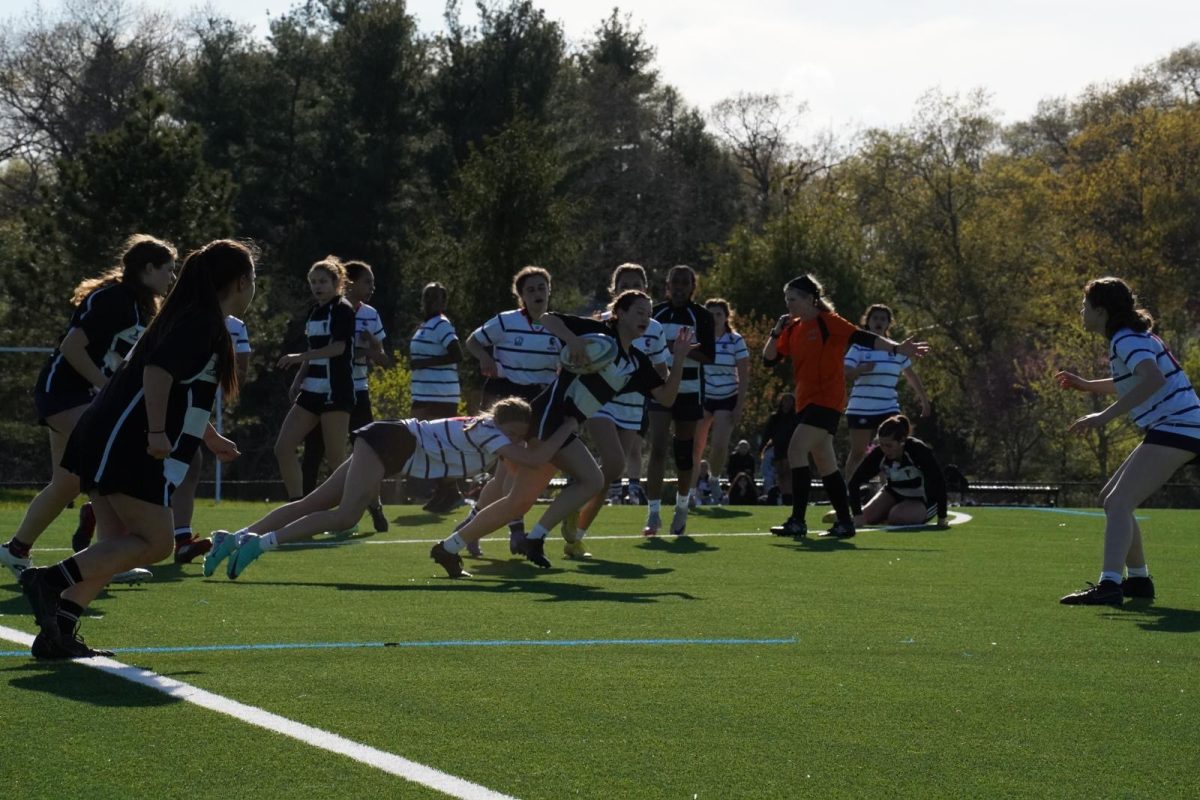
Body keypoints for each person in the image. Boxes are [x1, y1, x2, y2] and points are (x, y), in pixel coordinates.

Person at [17, 239, 255, 659]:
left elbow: (187, 391)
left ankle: (60, 632)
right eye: (252, 279)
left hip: (106, 433)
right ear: (239, 282)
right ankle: (48, 581)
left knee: (116, 543)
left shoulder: (194, 319)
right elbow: (158, 373)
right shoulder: (201, 323)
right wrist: (158, 433)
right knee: (157, 543)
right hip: (124, 440)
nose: (254, 288)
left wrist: (211, 438)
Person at [431, 290, 693, 576]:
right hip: (548, 416)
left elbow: (666, 397)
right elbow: (548, 319)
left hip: (564, 424)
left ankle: (462, 545)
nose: (646, 318)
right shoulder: (599, 333)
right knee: (571, 484)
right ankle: (519, 540)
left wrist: (678, 359)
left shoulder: (636, 362)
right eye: (639, 312)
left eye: (649, 313)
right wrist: (574, 341)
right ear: (619, 314)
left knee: (531, 497)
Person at [202, 398, 574, 580]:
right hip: (390, 442)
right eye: (512, 434)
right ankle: (259, 544)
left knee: (317, 500)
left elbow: (513, 472)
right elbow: (527, 460)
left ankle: (232, 539)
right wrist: (567, 428)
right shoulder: (488, 429)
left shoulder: (492, 433)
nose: (514, 442)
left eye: (518, 437)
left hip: (390, 445)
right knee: (346, 516)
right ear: (499, 422)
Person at [1, 234, 176, 581]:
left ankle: (15, 549)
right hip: (64, 394)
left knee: (68, 483)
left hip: (82, 398)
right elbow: (72, 346)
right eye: (168, 270)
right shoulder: (115, 298)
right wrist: (105, 385)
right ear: (148, 268)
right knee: (106, 467)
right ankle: (106, 556)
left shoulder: (138, 303)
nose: (172, 279)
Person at [1056, 277, 1200, 605]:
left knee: (1119, 503)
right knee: (1112, 499)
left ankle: (1110, 586)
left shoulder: (1124, 339)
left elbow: (1153, 379)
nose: (1081, 311)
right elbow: (1134, 379)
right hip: (1180, 426)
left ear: (1102, 311)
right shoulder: (1130, 338)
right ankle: (1138, 581)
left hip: (1178, 426)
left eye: (1085, 306)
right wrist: (1088, 385)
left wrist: (1102, 417)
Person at [763, 274, 928, 539]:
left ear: (810, 299)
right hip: (805, 402)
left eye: (793, 299)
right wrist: (776, 331)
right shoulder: (793, 328)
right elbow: (769, 359)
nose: (788, 304)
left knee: (796, 449)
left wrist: (898, 348)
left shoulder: (829, 322)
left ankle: (797, 520)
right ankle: (844, 522)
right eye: (787, 299)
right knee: (826, 464)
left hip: (827, 402)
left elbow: (864, 338)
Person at [566, 264, 669, 554]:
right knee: (613, 462)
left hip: (635, 407)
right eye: (623, 283)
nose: (629, 286)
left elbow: (660, 371)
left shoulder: (654, 328)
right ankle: (570, 505)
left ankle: (576, 535)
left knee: (611, 472)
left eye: (636, 283)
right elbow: (577, 357)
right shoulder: (601, 323)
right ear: (614, 290)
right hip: (601, 402)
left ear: (645, 288)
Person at [465, 266, 561, 552]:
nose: (537, 294)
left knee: (503, 475)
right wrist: (485, 358)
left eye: (541, 288)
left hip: (539, 400)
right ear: (521, 296)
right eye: (530, 290)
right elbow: (472, 341)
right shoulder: (506, 322)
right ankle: (516, 532)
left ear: (549, 291)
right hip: (506, 399)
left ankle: (470, 527)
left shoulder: (558, 325)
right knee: (513, 469)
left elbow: (570, 359)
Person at [299, 260, 391, 532]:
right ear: (347, 281)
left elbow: (383, 358)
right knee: (316, 453)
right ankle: (308, 510)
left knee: (365, 453)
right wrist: (300, 376)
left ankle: (373, 505)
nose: (372, 287)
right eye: (367, 282)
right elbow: (317, 348)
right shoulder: (327, 308)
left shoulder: (370, 315)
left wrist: (367, 348)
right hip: (322, 389)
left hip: (356, 390)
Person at [166, 314, 254, 566]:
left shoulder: (234, 326)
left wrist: (211, 435)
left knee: (189, 463)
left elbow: (240, 374)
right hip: (158, 402)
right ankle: (108, 521)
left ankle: (181, 538)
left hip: (181, 404)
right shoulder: (188, 318)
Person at [273, 256, 357, 504]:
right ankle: (296, 506)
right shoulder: (313, 311)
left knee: (335, 459)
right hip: (311, 391)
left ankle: (349, 510)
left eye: (322, 281)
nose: (317, 286)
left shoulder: (343, 309)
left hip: (336, 393)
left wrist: (300, 357)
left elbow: (338, 348)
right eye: (313, 282)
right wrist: (299, 377)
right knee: (283, 448)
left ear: (336, 282)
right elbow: (314, 348)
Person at [644, 265, 716, 536]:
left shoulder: (702, 316)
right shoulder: (655, 315)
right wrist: (669, 349)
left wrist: (682, 350)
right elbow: (647, 346)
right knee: (659, 448)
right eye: (675, 282)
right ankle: (652, 513)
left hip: (689, 390)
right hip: (660, 388)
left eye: (685, 282)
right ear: (667, 285)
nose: (680, 287)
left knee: (683, 452)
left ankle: (682, 508)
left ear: (692, 287)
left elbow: (709, 356)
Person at [843, 304, 931, 482]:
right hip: (861, 408)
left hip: (888, 407)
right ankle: (849, 491)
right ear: (867, 321)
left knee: (893, 449)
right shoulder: (859, 347)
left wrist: (924, 399)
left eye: (883, 319)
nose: (879, 322)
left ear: (888, 324)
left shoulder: (897, 349)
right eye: (875, 318)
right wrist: (862, 368)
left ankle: (888, 490)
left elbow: (911, 376)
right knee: (858, 452)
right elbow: (845, 372)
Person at [409, 282, 465, 515]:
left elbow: (457, 354)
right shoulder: (426, 325)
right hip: (424, 393)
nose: (431, 301)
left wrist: (424, 363)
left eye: (437, 297)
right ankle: (445, 491)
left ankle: (450, 492)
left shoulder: (442, 324)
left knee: (435, 443)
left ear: (444, 302)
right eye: (428, 296)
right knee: (424, 442)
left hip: (440, 395)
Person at [690, 298, 750, 506]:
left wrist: (739, 406)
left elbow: (743, 376)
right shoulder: (699, 339)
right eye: (711, 314)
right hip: (704, 396)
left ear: (726, 317)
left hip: (727, 398)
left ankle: (714, 479)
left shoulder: (735, 340)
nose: (714, 318)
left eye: (719, 314)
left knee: (718, 446)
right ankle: (690, 491)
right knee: (695, 446)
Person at [846, 415, 948, 528]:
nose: (885, 450)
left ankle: (892, 513)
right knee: (866, 517)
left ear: (902, 441)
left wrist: (942, 517)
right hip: (894, 492)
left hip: (922, 499)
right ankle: (883, 513)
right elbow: (854, 482)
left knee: (896, 517)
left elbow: (939, 481)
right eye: (882, 444)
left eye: (889, 445)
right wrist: (857, 515)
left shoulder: (918, 450)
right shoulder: (879, 453)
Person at [759, 392, 799, 506]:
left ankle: (791, 498)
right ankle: (785, 497)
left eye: (790, 401)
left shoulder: (796, 418)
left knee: (789, 473)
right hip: (778, 448)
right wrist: (762, 447)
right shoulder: (775, 418)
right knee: (781, 474)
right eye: (785, 400)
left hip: (791, 448)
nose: (787, 403)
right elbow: (767, 433)